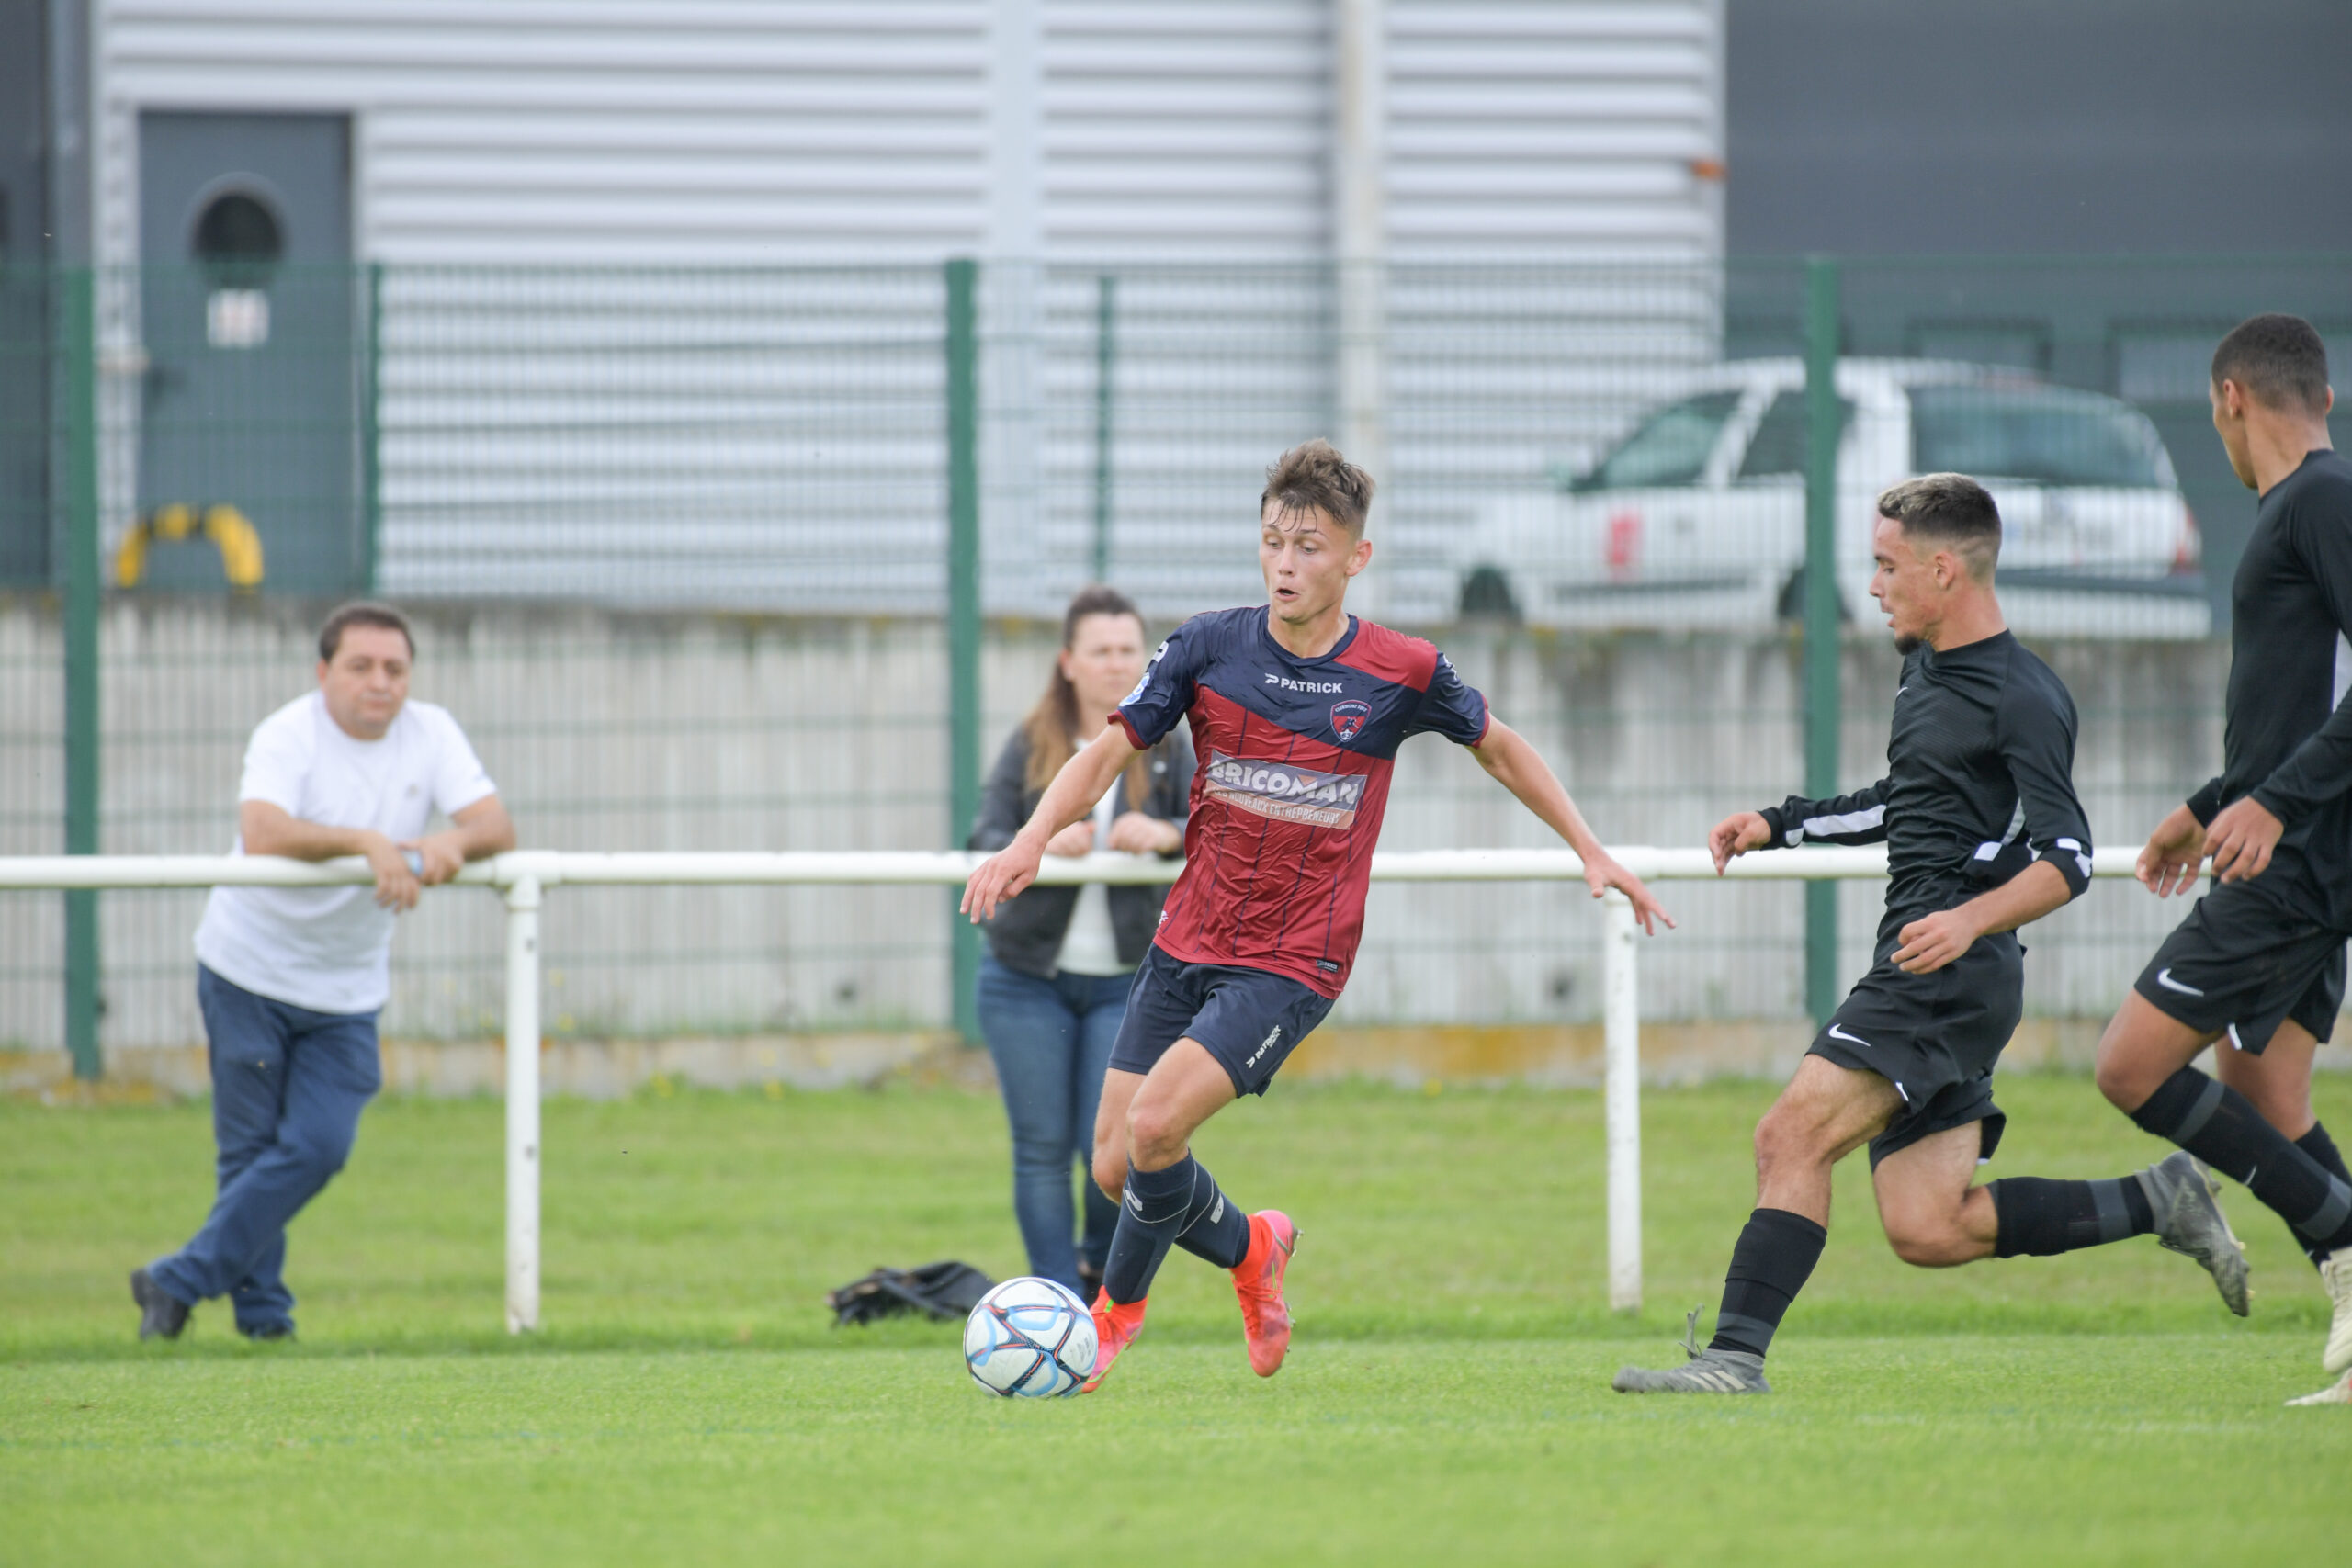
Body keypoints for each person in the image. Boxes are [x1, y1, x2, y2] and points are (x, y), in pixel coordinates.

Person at [962, 438, 1670, 1392]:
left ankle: (1110, 1322)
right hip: (1187, 938)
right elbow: (1102, 751)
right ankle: (1253, 1249)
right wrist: (1029, 841)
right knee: (1114, 1169)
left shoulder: (1401, 670)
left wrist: (1588, 846)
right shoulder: (1207, 646)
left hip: (1293, 959)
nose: (1285, 564)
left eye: (1306, 546)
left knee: (1157, 1128)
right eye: (1271, 542)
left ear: (1353, 558)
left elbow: (1500, 749)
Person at [1615, 474, 2245, 1396]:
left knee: (1788, 1136)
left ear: (1943, 569)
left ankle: (1731, 1360)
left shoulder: (2023, 696)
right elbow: (1902, 805)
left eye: (1885, 566)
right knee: (1927, 1227)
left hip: (1947, 972)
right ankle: (2159, 1200)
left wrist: (1966, 919)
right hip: (1937, 967)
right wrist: (1779, 822)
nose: (1872, 587)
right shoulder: (1924, 669)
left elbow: (2065, 856)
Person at [2087, 314, 2352, 1407]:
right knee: (2259, 1080)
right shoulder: (2296, 508)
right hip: (2294, 839)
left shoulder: (2320, 502)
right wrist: (2205, 806)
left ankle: (2346, 1246)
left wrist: (2274, 806)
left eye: (2215, 417)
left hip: (2302, 858)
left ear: (2231, 401)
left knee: (2129, 1067)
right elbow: (2297, 707)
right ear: (2322, 397)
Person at [130, 603, 514, 1341]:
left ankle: (175, 1279)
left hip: (346, 991)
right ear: (323, 673)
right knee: (248, 1154)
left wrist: (451, 844)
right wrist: (367, 843)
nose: (381, 684)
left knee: (319, 1145)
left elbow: (496, 824)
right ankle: (265, 1325)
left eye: (395, 669)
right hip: (247, 970)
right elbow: (263, 830)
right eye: (361, 666)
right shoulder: (287, 732)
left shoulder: (430, 731)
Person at [968, 585, 1193, 1301]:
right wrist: (1039, 838)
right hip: (1025, 979)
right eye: (1100, 650)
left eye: (1129, 648)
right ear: (1069, 662)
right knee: (1039, 1149)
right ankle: (1054, 1303)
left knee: (1114, 1149)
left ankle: (1098, 1284)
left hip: (1128, 982)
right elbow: (984, 837)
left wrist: (1167, 835)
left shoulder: (1167, 743)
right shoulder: (1032, 744)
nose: (1115, 662)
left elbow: (1216, 828)